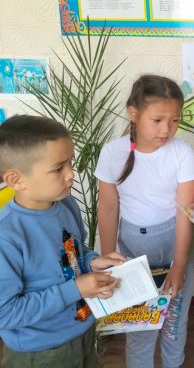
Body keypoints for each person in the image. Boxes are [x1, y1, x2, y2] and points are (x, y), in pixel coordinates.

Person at [0, 115, 126, 368]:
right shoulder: (7, 235)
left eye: (71, 162)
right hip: (40, 352)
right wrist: (76, 290)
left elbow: (76, 253)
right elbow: (6, 313)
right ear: (16, 180)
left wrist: (93, 262)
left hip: (82, 329)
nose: (71, 175)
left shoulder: (67, 204)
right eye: (58, 168)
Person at [96, 75, 194, 368]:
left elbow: (184, 212)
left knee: (173, 323)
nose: (166, 129)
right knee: (139, 324)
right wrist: (108, 257)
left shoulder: (182, 153)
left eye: (174, 120)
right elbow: (108, 207)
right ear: (133, 113)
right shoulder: (112, 153)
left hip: (175, 241)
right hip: (132, 246)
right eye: (157, 120)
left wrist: (179, 265)